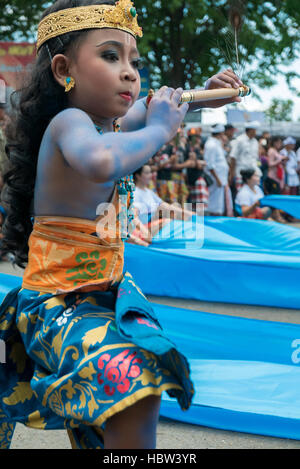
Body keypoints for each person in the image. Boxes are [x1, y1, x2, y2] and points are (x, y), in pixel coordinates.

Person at [0, 0, 244, 450]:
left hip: (102, 296)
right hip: (59, 301)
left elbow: (159, 106)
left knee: (120, 406)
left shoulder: (106, 123)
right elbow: (102, 162)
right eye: (111, 56)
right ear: (62, 69)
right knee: (134, 385)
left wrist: (208, 95)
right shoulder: (71, 124)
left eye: (134, 60)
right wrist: (160, 132)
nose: (130, 72)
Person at [204, 124, 232, 216]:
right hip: (215, 179)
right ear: (220, 133)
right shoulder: (211, 145)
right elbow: (210, 165)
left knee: (219, 204)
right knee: (214, 204)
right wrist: (218, 179)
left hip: (220, 179)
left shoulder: (216, 143)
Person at [229, 121, 262, 198]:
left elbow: (256, 158)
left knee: (253, 195)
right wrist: (232, 173)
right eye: (254, 130)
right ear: (250, 130)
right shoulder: (240, 140)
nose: (255, 132)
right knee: (241, 195)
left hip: (253, 173)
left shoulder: (255, 142)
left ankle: (250, 210)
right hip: (240, 173)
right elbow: (233, 157)